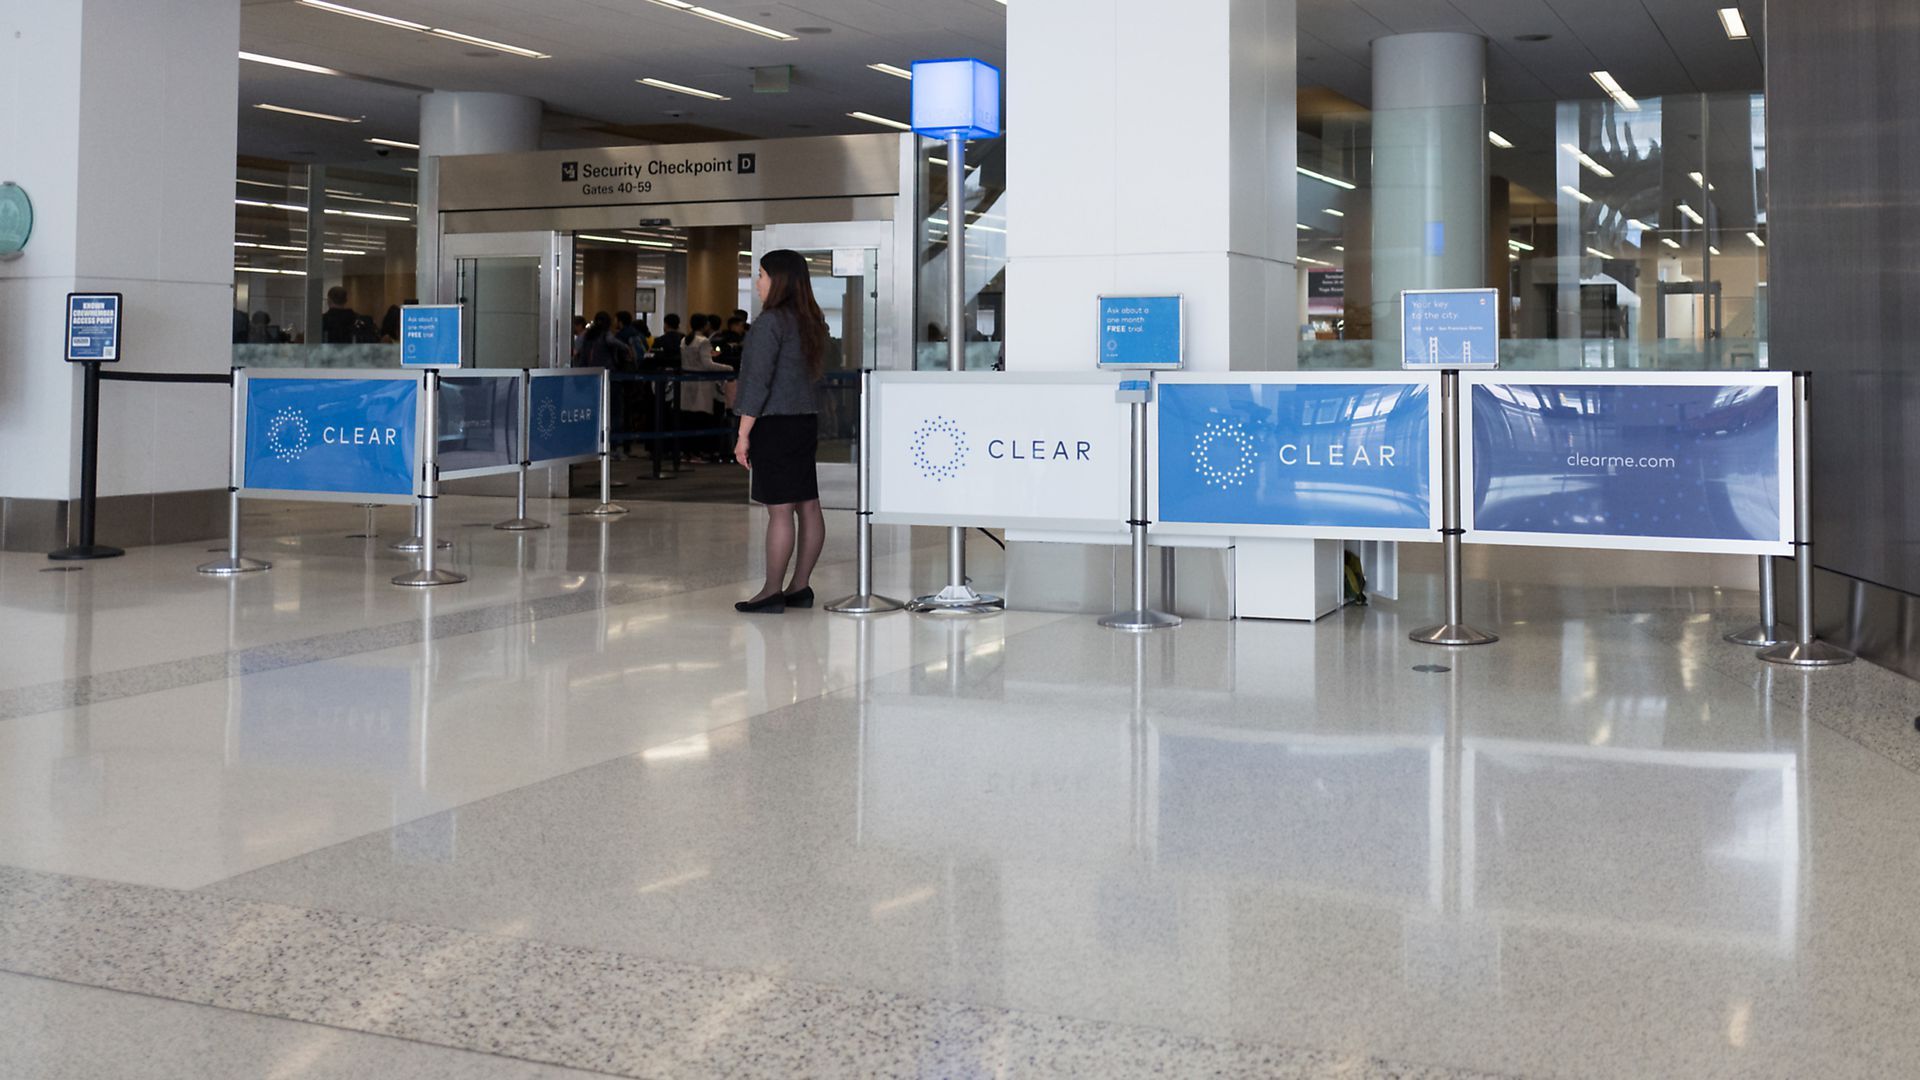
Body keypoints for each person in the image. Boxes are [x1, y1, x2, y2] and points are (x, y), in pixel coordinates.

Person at [732, 249, 827, 614]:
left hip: (775, 423)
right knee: (808, 504)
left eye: (761, 275)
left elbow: (756, 384)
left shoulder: (770, 323)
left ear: (779, 279)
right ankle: (799, 586)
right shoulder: (810, 321)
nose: (757, 283)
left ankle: (771, 590)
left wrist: (743, 434)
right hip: (804, 421)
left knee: (780, 511)